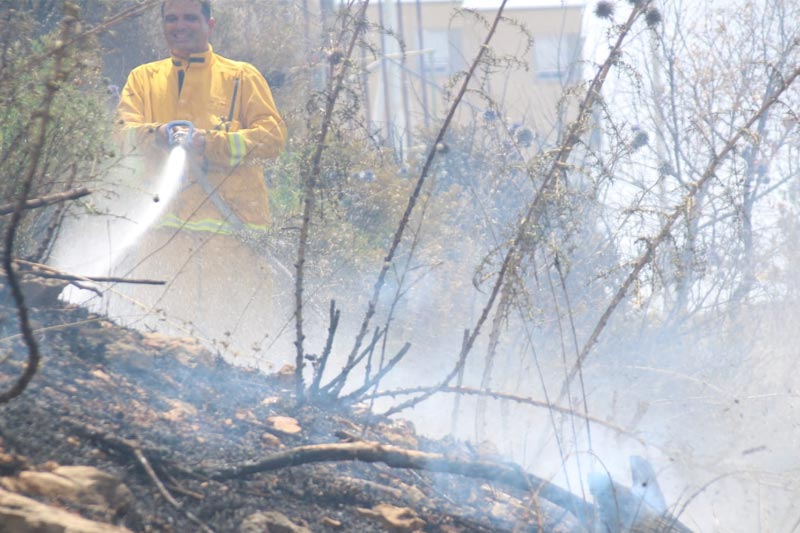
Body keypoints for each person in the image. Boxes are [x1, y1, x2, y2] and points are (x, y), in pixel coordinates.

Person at [111, 0, 288, 364]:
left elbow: (272, 139)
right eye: (171, 18)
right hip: (163, 239)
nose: (180, 25)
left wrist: (212, 142)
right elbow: (121, 136)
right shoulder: (143, 80)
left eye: (190, 17)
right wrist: (156, 133)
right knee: (162, 337)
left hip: (233, 237)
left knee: (241, 341)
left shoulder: (241, 77)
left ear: (210, 23)